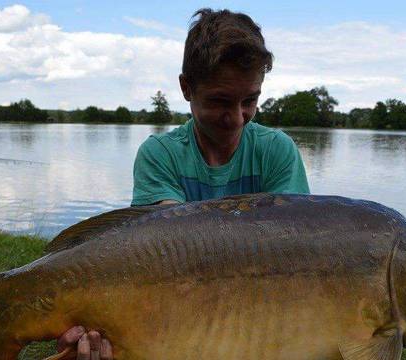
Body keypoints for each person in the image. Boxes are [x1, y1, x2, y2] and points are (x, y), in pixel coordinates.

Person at [56, 8, 309, 359]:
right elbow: (173, 249)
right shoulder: (159, 154)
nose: (236, 118)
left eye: (249, 100)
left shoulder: (277, 151)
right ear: (186, 87)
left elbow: (292, 248)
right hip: (175, 303)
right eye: (220, 101)